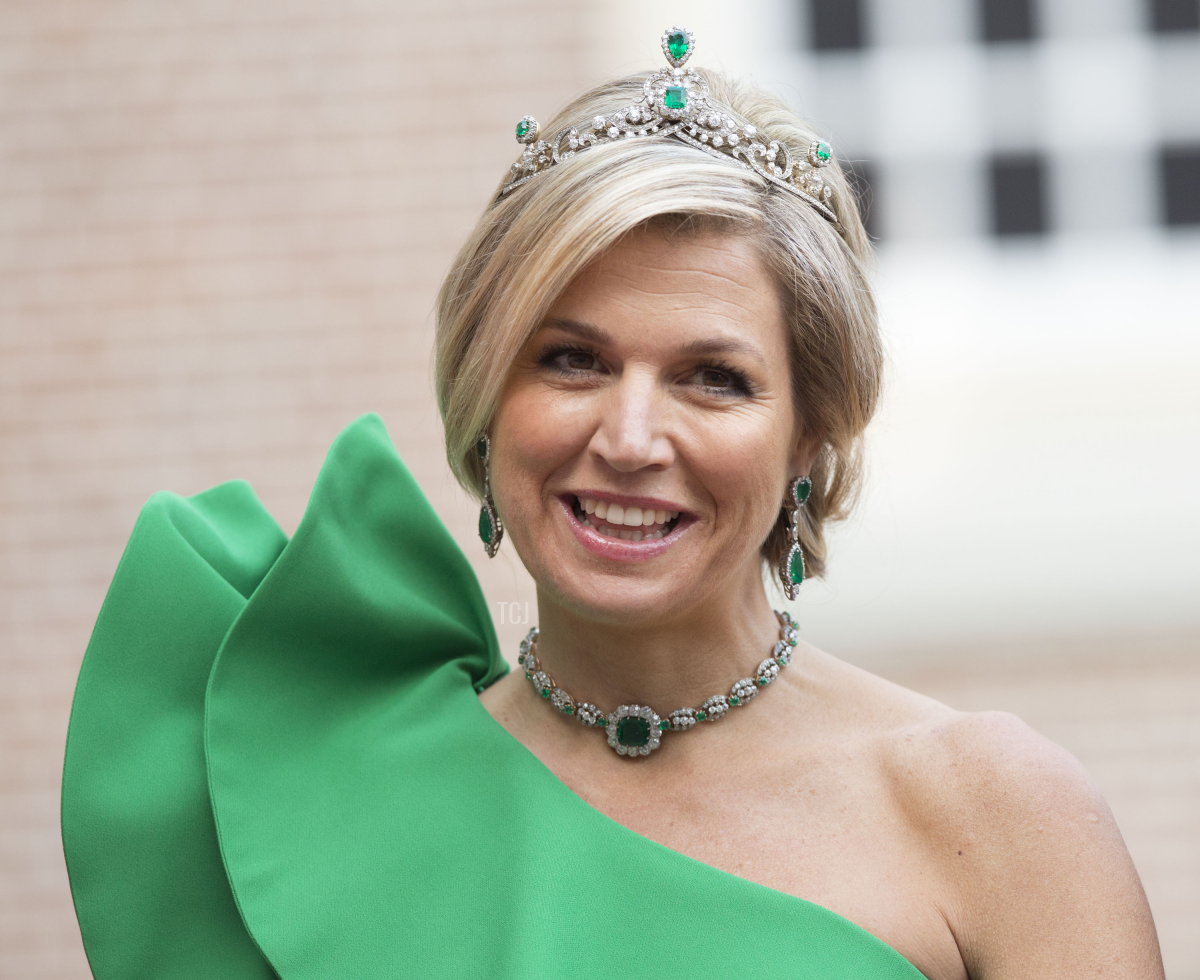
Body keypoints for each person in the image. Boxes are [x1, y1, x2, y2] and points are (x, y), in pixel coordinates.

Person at [63, 27, 1163, 980]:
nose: (631, 439)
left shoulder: (994, 815)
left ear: (809, 436)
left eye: (713, 379)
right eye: (572, 361)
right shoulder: (327, 799)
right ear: (485, 398)